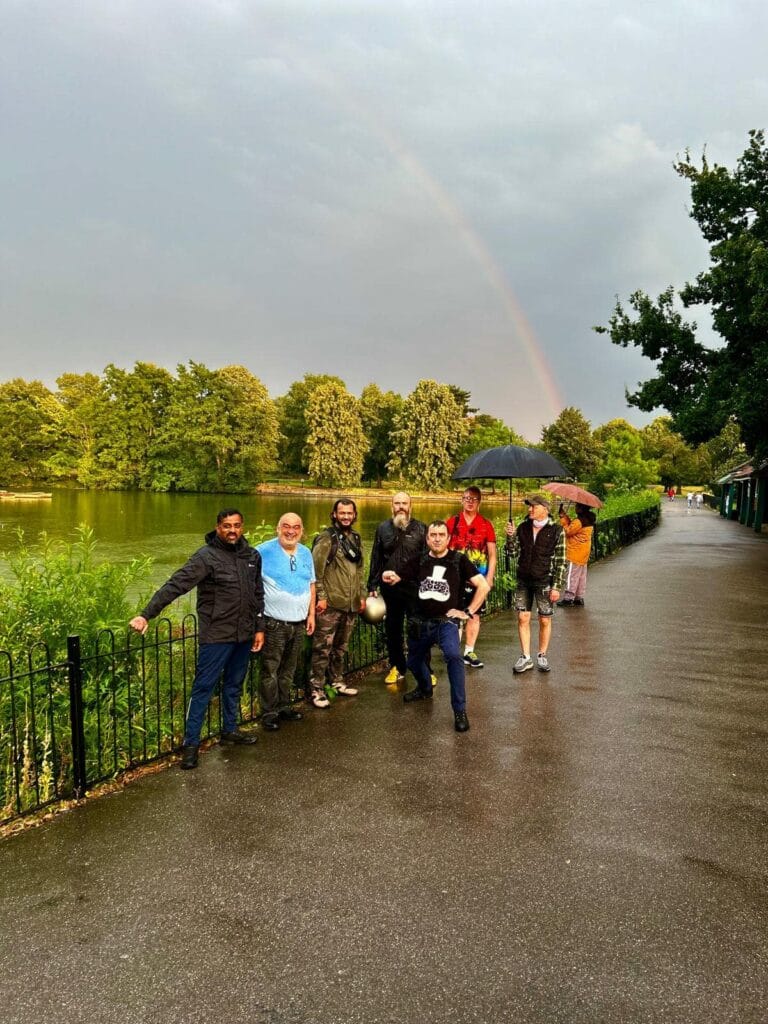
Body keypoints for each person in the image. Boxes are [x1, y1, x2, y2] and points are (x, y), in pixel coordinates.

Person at [129, 508, 264, 770]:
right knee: (203, 688)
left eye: (236, 525)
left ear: (242, 527)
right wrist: (147, 614)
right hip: (217, 635)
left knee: (234, 685)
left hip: (244, 634)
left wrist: (259, 628)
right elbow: (176, 584)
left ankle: (230, 729)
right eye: (227, 526)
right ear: (217, 528)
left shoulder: (252, 556)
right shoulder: (206, 557)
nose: (232, 530)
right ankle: (191, 745)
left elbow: (257, 594)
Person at [392, 520, 489, 733]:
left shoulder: (458, 560)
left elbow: (483, 585)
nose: (437, 538)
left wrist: (468, 612)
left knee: (454, 656)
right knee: (413, 663)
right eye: (433, 535)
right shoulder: (419, 560)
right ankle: (425, 689)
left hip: (446, 622)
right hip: (420, 622)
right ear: (427, 539)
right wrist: (388, 576)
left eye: (441, 535)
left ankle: (460, 711)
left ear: (448, 538)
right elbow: (397, 576)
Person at [257, 513, 316, 726]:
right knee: (270, 669)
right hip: (274, 623)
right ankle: (269, 712)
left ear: (302, 531)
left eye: (296, 527)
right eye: (286, 526)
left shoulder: (306, 553)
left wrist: (311, 615)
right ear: (277, 528)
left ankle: (284, 706)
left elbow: (311, 584)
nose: (291, 531)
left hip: (298, 623)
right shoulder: (262, 552)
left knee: (288, 669)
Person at [309, 498, 367, 705]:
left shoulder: (356, 538)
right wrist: (321, 597)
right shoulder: (326, 539)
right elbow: (316, 572)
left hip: (350, 604)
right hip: (330, 605)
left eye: (349, 513)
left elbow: (359, 570)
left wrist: (361, 595)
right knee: (322, 648)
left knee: (341, 647)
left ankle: (336, 681)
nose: (345, 516)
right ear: (334, 514)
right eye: (341, 513)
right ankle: (316, 688)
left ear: (354, 515)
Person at [367, 492, 428, 684]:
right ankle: (397, 666)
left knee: (417, 628)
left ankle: (425, 668)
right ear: (391, 506)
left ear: (411, 506)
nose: (400, 507)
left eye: (404, 503)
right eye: (397, 503)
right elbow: (376, 557)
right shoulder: (383, 528)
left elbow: (425, 560)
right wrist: (372, 584)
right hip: (390, 589)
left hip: (413, 588)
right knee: (392, 629)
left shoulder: (420, 529)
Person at [505, 493, 566, 674]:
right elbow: (512, 553)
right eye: (529, 506)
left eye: (533, 506)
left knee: (544, 619)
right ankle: (525, 657)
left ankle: (542, 654)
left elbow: (561, 561)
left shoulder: (556, 530)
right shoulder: (523, 528)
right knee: (523, 617)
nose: (530, 509)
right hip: (524, 579)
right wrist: (510, 536)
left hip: (544, 580)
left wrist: (556, 586)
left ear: (545, 509)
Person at [445, 485, 497, 669]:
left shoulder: (486, 524)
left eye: (473, 499)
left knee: (474, 614)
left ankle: (469, 651)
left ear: (479, 502)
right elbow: (443, 547)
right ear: (461, 500)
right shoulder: (452, 522)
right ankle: (454, 652)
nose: (469, 501)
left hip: (478, 577)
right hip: (455, 577)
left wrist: (489, 578)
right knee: (454, 613)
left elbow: (492, 554)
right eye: (466, 498)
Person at [557, 502, 596, 607]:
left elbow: (568, 531)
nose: (575, 508)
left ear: (581, 508)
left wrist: (562, 519)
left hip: (575, 552)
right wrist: (564, 516)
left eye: (577, 506)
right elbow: (573, 527)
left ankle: (568, 598)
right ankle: (579, 597)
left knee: (571, 576)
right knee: (581, 576)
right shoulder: (588, 519)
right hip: (584, 552)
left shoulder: (579, 521)